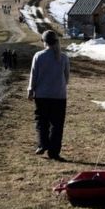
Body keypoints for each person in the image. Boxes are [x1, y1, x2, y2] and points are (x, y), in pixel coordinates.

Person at [28, 30, 70, 161]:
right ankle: (54, 152)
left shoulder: (38, 56)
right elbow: (67, 78)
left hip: (41, 95)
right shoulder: (63, 57)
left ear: (44, 41)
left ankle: (42, 144)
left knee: (42, 121)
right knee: (57, 125)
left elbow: (33, 75)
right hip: (59, 95)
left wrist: (31, 89)